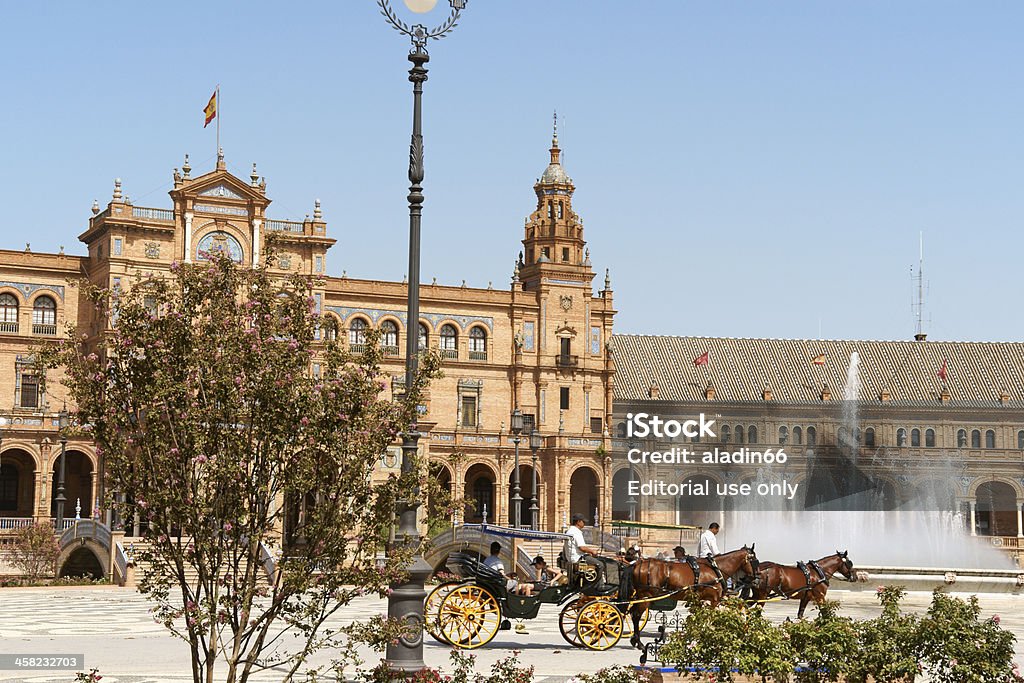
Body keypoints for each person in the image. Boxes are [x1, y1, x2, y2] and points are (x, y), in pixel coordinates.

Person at [565, 513, 603, 583]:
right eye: (583, 522)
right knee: (600, 565)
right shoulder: (576, 532)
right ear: (578, 522)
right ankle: (599, 586)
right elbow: (582, 547)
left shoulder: (569, 531)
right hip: (578, 558)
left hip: (572, 558)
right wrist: (592, 551)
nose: (584, 523)